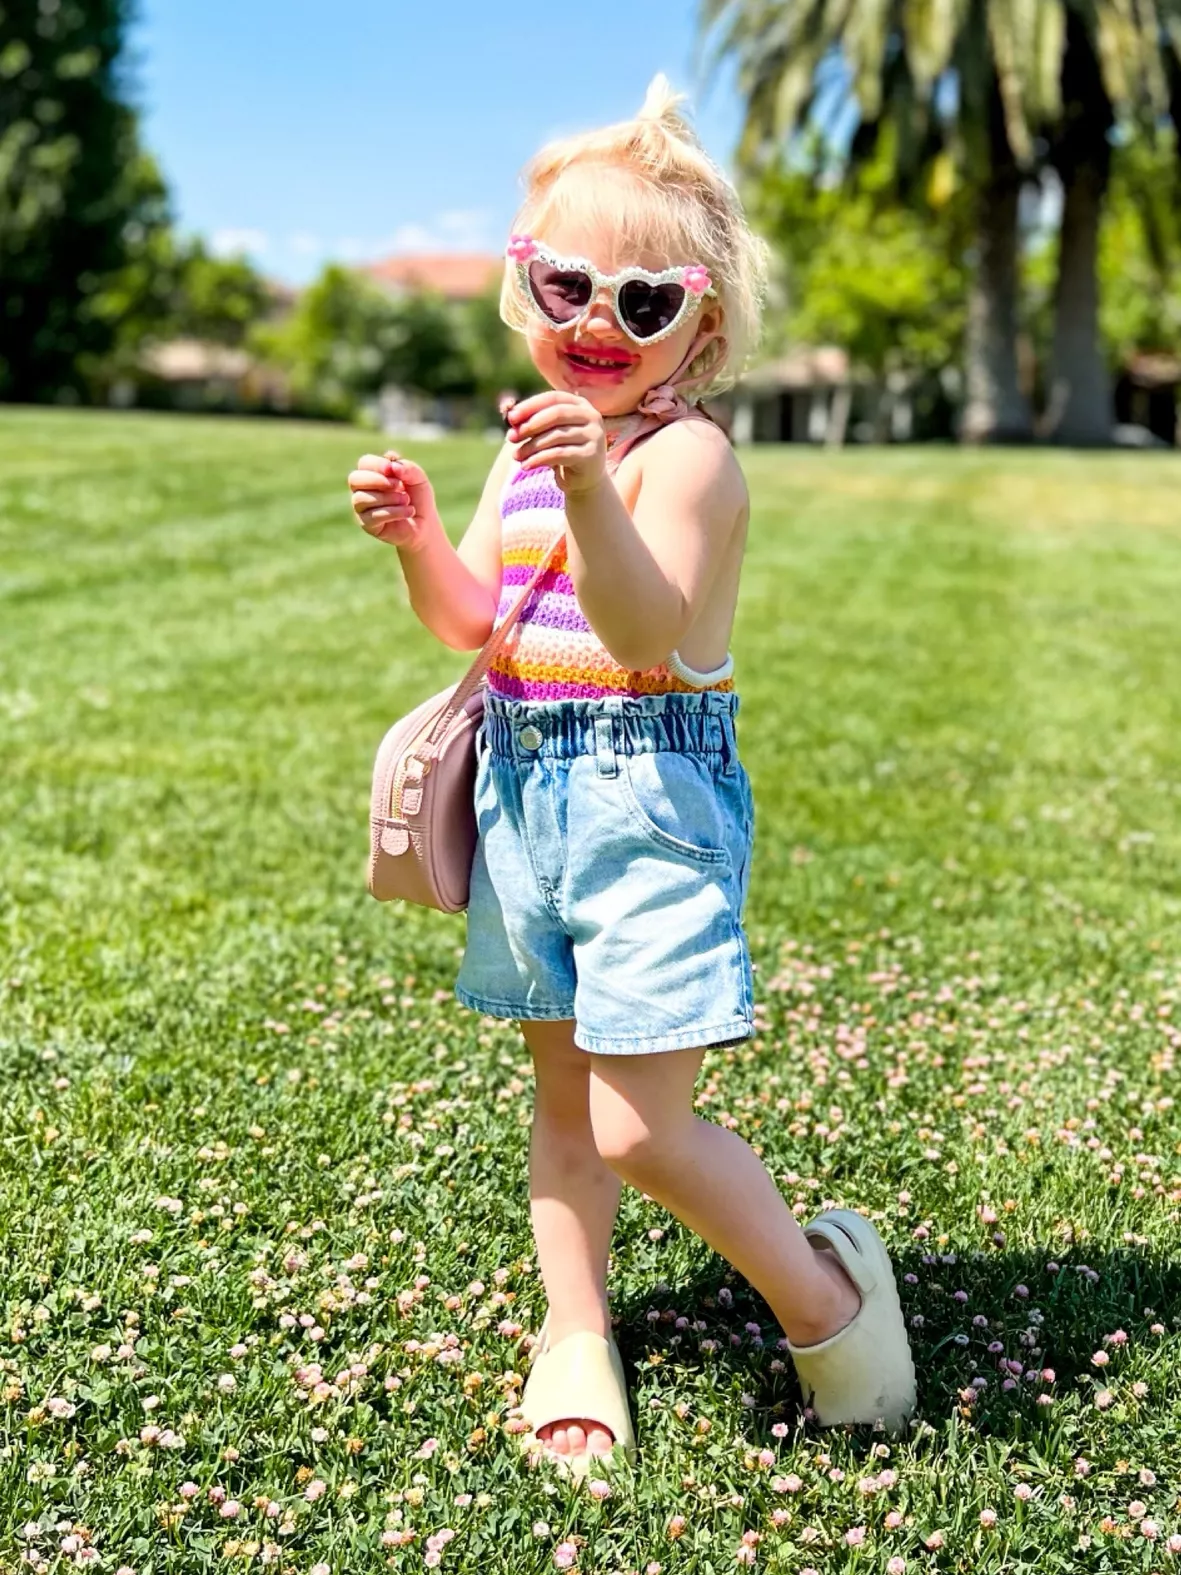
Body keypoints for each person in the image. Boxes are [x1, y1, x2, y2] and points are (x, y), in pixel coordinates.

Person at [347, 76, 916, 1478]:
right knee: (560, 1107)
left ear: (699, 325)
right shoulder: (527, 448)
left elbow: (644, 628)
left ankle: (826, 1295)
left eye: (645, 302)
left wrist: (597, 483)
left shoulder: (694, 459)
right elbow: (479, 620)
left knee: (638, 1125)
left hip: (649, 810)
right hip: (530, 802)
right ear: (522, 294)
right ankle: (575, 1326)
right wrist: (425, 539)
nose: (599, 323)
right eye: (567, 285)